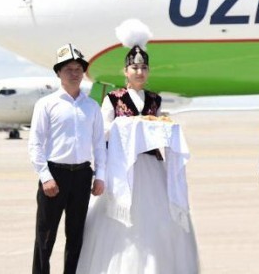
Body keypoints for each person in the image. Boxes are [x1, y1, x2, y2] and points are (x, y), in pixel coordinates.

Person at [76, 23, 199, 274]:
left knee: (158, 222)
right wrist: (128, 125)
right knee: (123, 223)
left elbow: (160, 125)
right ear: (126, 71)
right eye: (135, 67)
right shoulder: (114, 98)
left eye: (143, 67)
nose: (139, 71)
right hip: (124, 168)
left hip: (152, 167)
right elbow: (103, 130)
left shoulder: (155, 99)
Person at [29, 43, 106, 274]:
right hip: (55, 175)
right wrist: (45, 177)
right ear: (58, 73)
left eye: (78, 69)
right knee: (45, 236)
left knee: (76, 235)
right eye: (68, 69)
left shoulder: (92, 107)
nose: (74, 73)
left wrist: (100, 176)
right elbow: (35, 144)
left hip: (82, 175)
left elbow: (99, 144)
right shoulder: (46, 104)